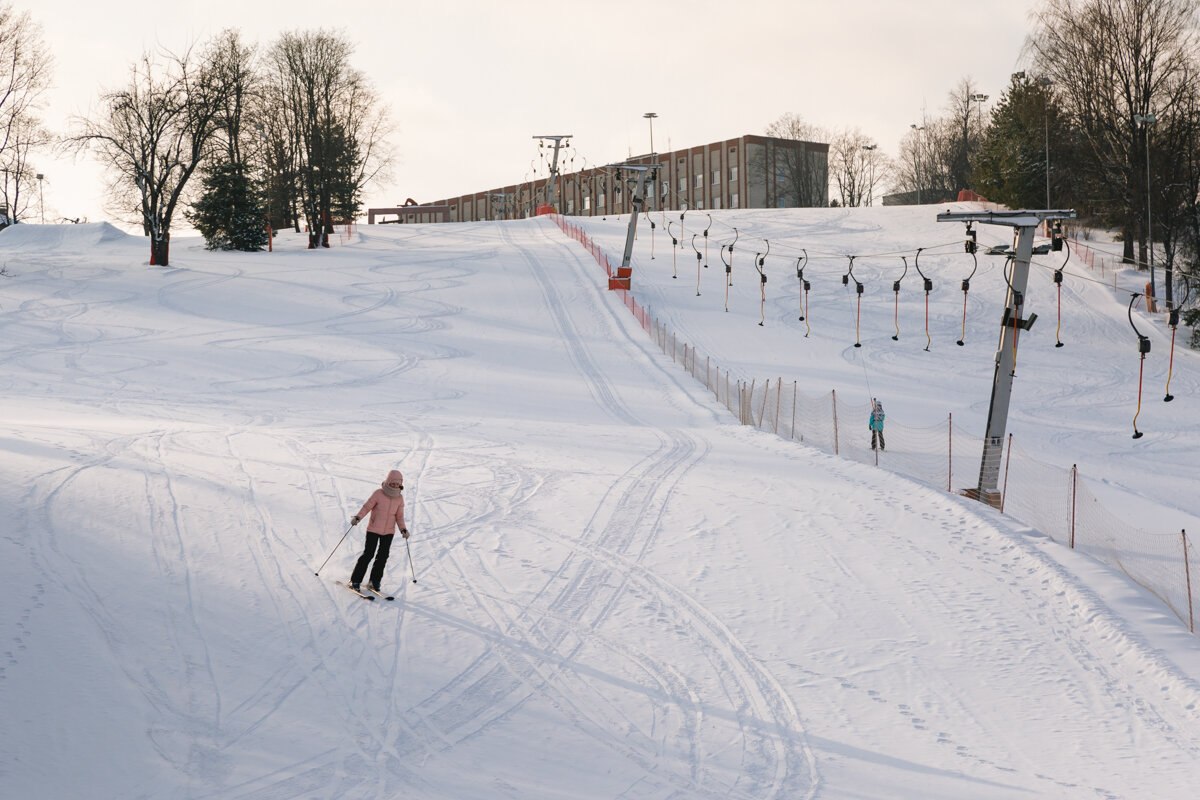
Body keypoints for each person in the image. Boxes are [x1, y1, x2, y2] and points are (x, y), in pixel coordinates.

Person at [349, 469, 409, 592]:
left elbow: (399, 516)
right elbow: (367, 507)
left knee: (382, 557)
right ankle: (355, 580)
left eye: (397, 484)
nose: (395, 485)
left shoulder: (399, 498)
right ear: (388, 481)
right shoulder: (378, 494)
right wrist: (358, 517)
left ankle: (374, 581)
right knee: (368, 554)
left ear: (400, 484)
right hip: (373, 529)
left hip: (388, 532)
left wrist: (403, 529)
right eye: (393, 483)